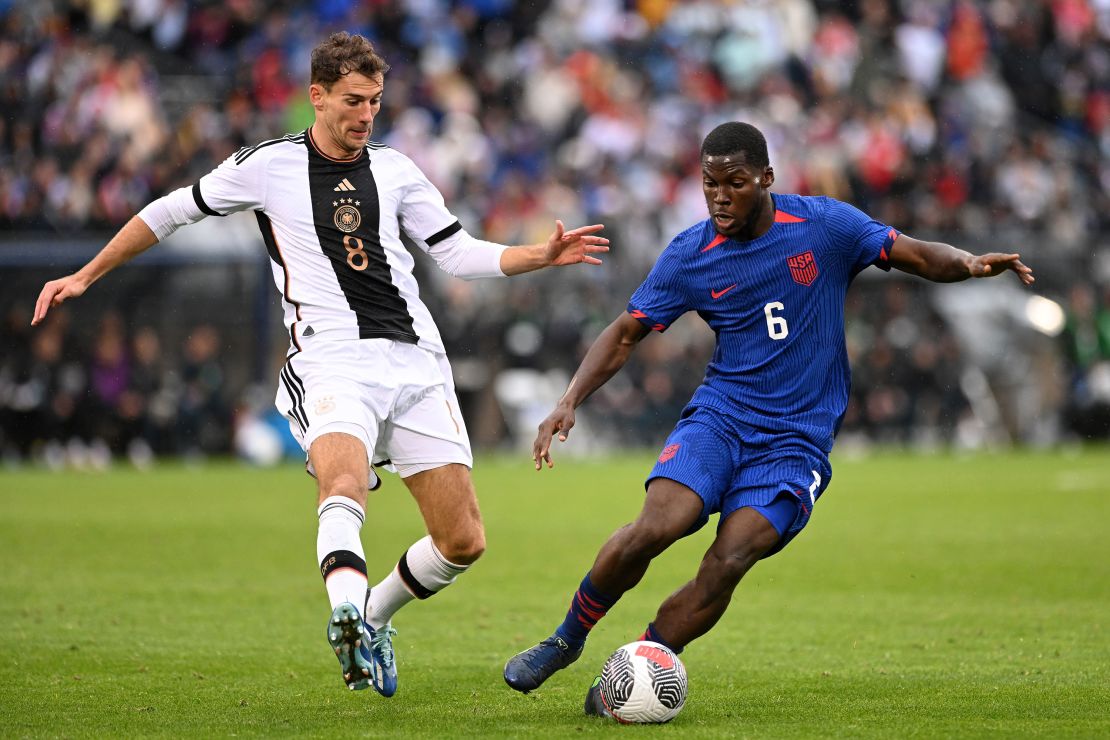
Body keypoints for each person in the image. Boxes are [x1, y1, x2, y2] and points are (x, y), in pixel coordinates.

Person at [32, 32, 609, 699]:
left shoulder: (395, 170)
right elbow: (169, 212)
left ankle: (371, 615)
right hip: (331, 359)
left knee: (463, 540)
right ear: (317, 97)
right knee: (344, 477)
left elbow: (455, 253)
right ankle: (343, 605)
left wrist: (535, 255)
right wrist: (87, 273)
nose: (367, 114)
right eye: (354, 101)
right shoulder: (267, 166)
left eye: (376, 101)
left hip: (416, 361)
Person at [502, 122, 1034, 716]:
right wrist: (569, 398)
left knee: (728, 558)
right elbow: (627, 332)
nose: (720, 196)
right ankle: (566, 639)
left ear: (767, 179)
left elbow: (911, 253)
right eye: (710, 184)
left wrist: (969, 263)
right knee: (659, 525)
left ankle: (636, 671)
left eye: (735, 182)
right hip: (721, 417)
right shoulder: (690, 254)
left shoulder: (825, 226)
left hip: (797, 442)